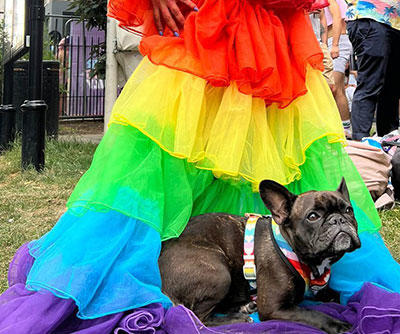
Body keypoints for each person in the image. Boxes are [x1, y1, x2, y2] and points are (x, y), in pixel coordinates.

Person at [1, 0, 400, 332]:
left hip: (271, 35)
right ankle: (195, 280)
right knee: (166, 159)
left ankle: (257, 280)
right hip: (202, 24)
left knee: (268, 157)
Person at [346, 0, 400, 140]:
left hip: (394, 23)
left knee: (391, 89)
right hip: (370, 17)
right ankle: (361, 143)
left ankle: (388, 140)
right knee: (370, 83)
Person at [323, 0, 353, 138]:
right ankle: (337, 127)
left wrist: (335, 44)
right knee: (329, 87)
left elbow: (337, 16)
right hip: (327, 41)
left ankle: (346, 128)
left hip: (338, 40)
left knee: (335, 86)